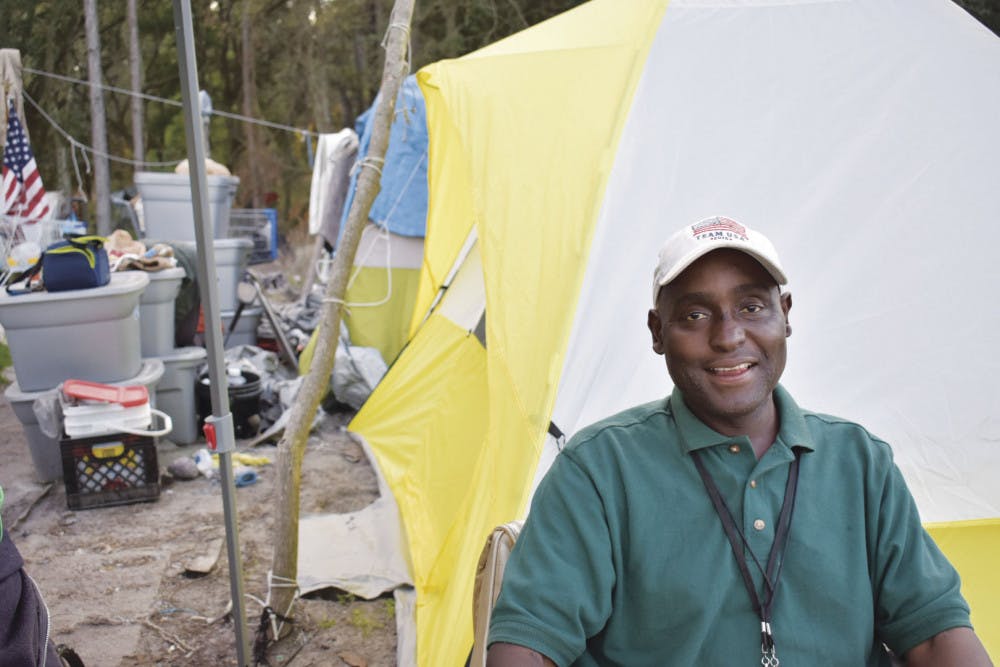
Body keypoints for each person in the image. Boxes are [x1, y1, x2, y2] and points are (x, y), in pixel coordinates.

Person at [486, 216, 993, 666]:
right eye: (695, 315)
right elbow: (527, 645)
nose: (729, 336)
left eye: (751, 306)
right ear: (657, 331)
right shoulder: (598, 470)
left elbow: (934, 635)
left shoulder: (860, 462)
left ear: (786, 314)